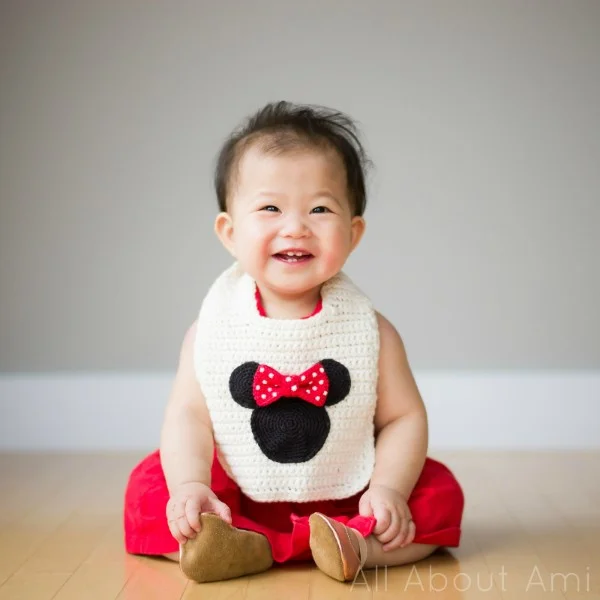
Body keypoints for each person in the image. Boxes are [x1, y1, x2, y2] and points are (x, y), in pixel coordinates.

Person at [124, 101, 464, 584]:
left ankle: (356, 545)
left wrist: (387, 489)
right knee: (150, 488)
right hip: (236, 493)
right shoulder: (211, 331)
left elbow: (404, 417)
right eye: (270, 208)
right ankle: (230, 542)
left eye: (320, 209)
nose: (296, 226)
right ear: (229, 231)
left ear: (353, 231)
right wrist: (191, 485)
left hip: (349, 495)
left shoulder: (372, 332)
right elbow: (188, 417)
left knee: (437, 492)